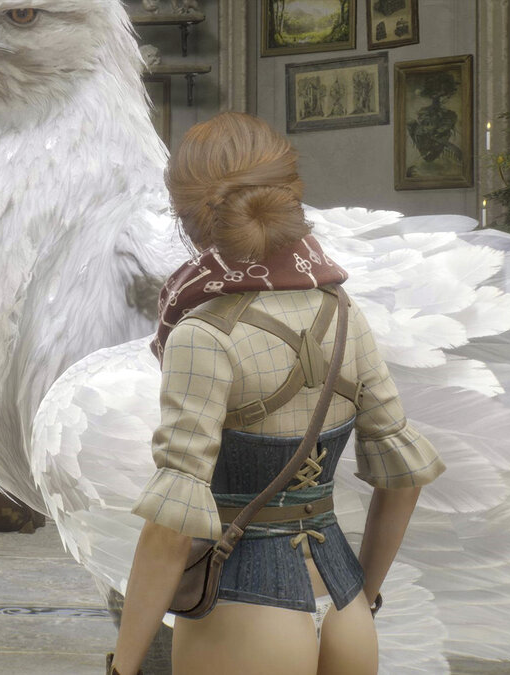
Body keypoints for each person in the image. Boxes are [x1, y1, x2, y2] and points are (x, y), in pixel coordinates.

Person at [109, 112, 445, 675]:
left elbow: (171, 528)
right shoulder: (343, 310)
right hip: (346, 608)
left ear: (187, 216)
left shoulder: (203, 333)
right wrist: (364, 597)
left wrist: (124, 666)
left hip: (244, 614)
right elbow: (404, 475)